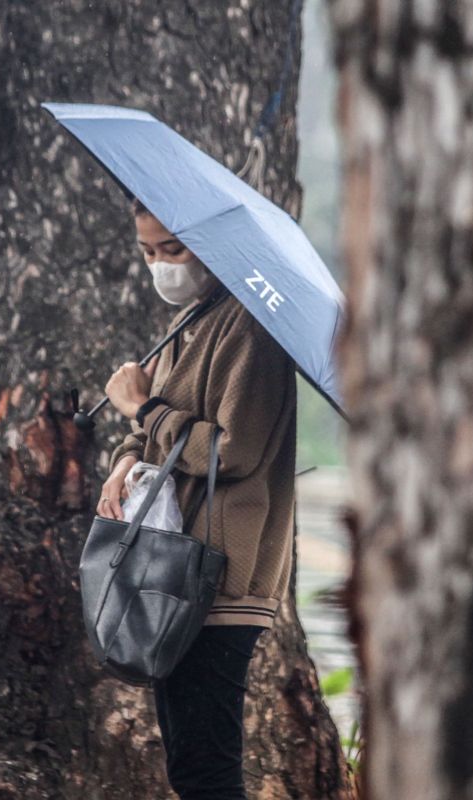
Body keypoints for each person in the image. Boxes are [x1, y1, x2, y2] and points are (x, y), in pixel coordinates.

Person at [97, 196, 299, 799]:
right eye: (147, 252)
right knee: (191, 766)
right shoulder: (193, 320)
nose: (161, 266)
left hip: (222, 578)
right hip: (175, 569)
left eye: (173, 249)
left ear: (208, 247)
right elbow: (151, 434)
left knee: (207, 771)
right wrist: (126, 458)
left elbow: (231, 450)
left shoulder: (251, 328)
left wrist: (145, 407)